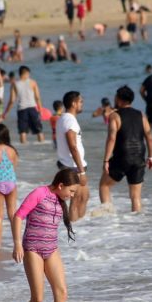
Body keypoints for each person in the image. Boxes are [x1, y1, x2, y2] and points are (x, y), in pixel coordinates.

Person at [10, 168, 80, 302]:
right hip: (32, 249)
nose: (71, 195)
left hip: (51, 249)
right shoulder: (39, 193)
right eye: (71, 191)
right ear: (61, 185)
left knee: (62, 293)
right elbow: (18, 216)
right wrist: (17, 243)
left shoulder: (60, 199)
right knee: (38, 299)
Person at [100, 85, 152, 213]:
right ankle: (136, 225)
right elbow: (149, 137)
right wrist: (151, 156)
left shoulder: (114, 116)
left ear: (119, 99)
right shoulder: (141, 114)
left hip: (122, 156)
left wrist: (106, 160)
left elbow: (111, 138)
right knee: (135, 196)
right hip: (140, 156)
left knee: (104, 185)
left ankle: (108, 219)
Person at [55, 91, 90, 220]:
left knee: (84, 197)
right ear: (74, 103)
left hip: (69, 164)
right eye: (81, 102)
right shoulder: (70, 120)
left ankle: (78, 228)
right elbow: (73, 146)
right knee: (76, 201)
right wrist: (81, 172)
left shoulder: (64, 118)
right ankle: (74, 231)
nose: (82, 104)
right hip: (73, 167)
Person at [4, 65, 44, 143]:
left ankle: (24, 149)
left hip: (21, 109)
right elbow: (38, 98)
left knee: (23, 131)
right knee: (39, 130)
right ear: (27, 73)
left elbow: (12, 100)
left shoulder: (15, 84)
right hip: (32, 108)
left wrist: (6, 113)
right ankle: (42, 146)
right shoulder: (33, 82)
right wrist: (40, 109)